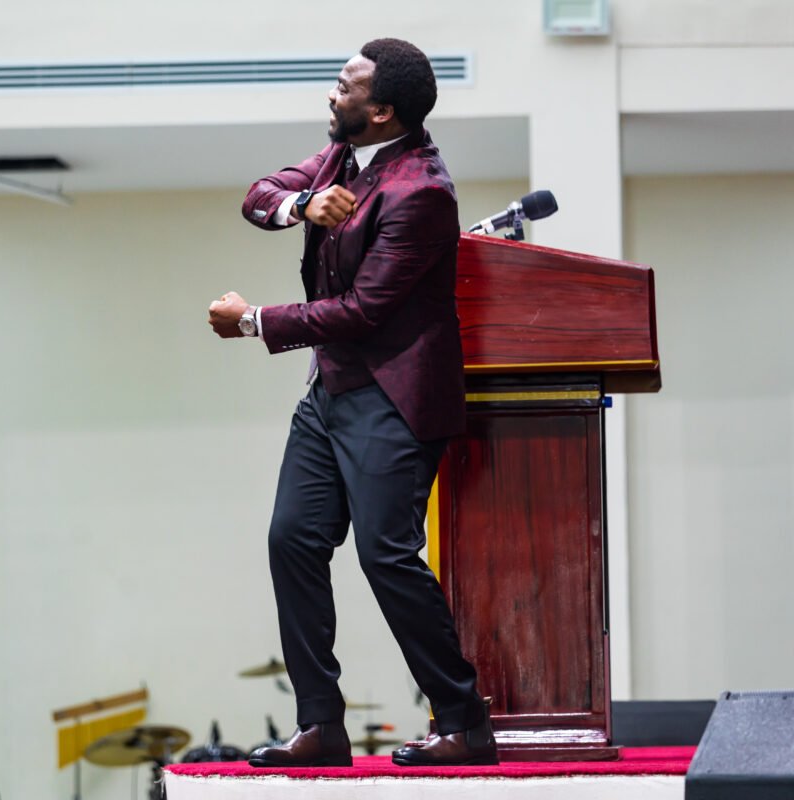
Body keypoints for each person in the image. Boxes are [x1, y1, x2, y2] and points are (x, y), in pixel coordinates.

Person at [207, 37, 497, 768]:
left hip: (394, 397)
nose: (332, 95)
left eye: (345, 86)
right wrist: (303, 204)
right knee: (292, 539)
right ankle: (321, 726)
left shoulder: (423, 192)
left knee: (385, 553)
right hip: (330, 392)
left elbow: (364, 311)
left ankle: (465, 721)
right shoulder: (341, 157)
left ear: (383, 110)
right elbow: (258, 196)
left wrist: (253, 321)